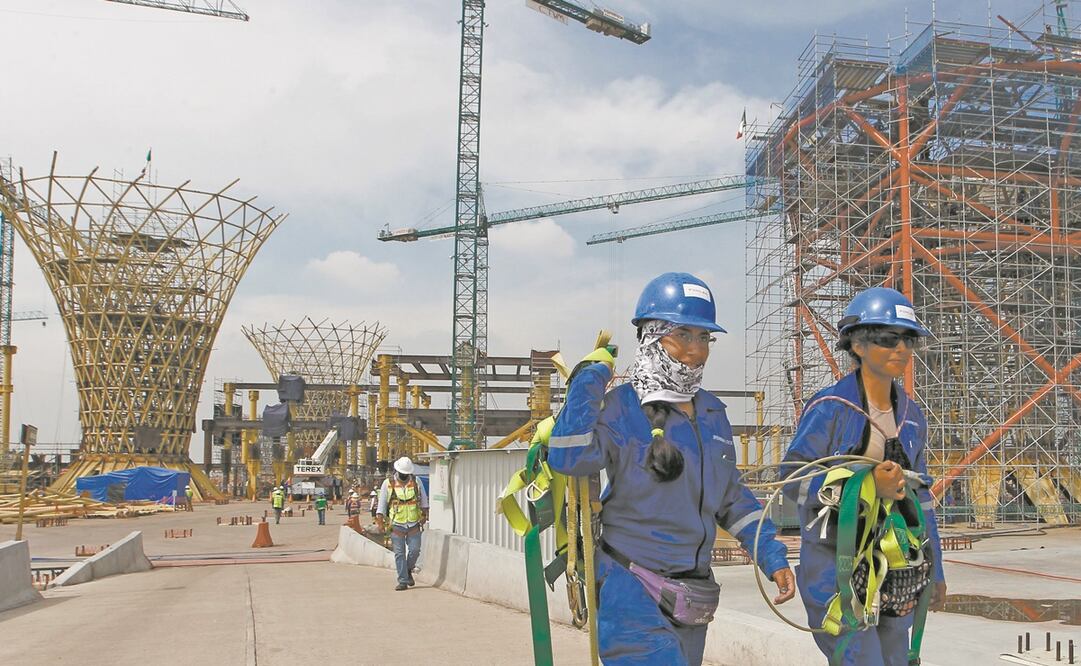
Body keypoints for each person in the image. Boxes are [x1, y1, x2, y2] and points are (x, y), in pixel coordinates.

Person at [547, 272, 795, 666]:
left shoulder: (713, 413)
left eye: (704, 338)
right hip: (632, 591)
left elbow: (732, 500)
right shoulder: (622, 407)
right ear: (650, 335)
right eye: (683, 335)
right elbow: (567, 458)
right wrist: (586, 384)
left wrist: (772, 556)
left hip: (691, 595)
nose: (695, 350)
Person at [781, 287, 947, 666]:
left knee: (896, 659)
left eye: (909, 339)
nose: (901, 349)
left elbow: (922, 502)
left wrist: (934, 570)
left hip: (895, 569)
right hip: (834, 568)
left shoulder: (912, 417)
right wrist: (868, 486)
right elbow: (792, 479)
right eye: (888, 339)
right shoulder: (830, 409)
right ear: (857, 344)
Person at [376, 456, 429, 591]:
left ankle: (409, 569)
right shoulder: (388, 484)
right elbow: (381, 504)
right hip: (396, 524)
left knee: (415, 551)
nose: (405, 476)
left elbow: (423, 500)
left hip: (413, 523)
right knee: (399, 554)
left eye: (407, 474)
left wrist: (424, 514)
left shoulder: (416, 482)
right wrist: (380, 521)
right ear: (397, 471)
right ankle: (403, 580)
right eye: (403, 474)